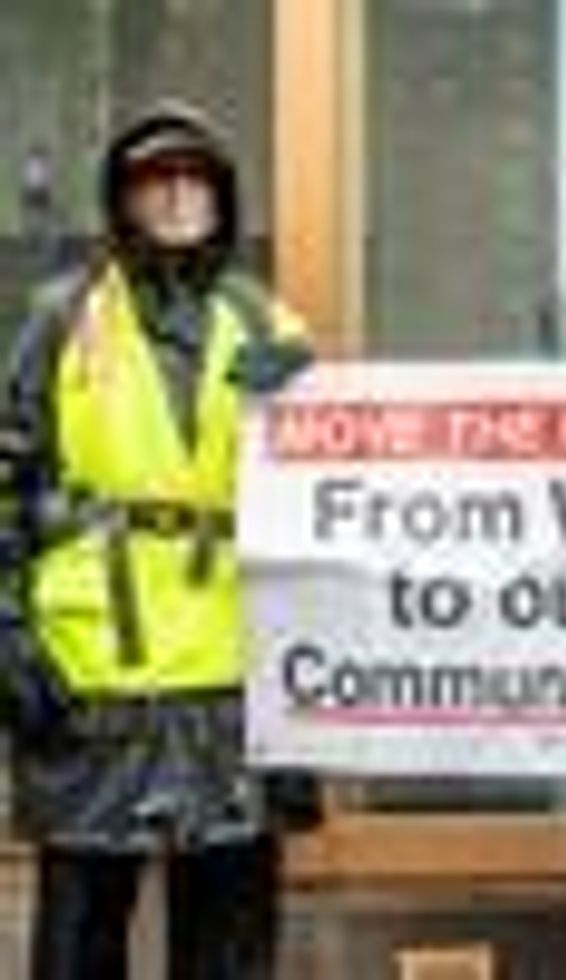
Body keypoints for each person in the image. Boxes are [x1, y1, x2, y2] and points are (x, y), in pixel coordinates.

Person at [0, 103, 317, 980]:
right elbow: (8, 482)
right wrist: (10, 639)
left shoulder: (271, 329)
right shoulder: (63, 320)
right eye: (156, 179)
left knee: (228, 943)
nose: (178, 195)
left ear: (223, 196)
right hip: (94, 677)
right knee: (80, 939)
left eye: (195, 178)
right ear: (121, 198)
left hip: (230, 683)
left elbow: (334, 499)